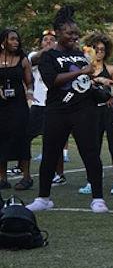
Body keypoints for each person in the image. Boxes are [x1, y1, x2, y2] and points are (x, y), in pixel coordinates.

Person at [27, 7, 109, 213]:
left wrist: (95, 82)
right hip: (58, 110)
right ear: (58, 33)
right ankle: (43, 197)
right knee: (50, 154)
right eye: (70, 33)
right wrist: (82, 71)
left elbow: (84, 79)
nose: (75, 36)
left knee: (90, 153)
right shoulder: (49, 56)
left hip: (84, 110)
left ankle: (98, 198)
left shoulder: (81, 55)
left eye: (76, 33)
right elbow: (52, 80)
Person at [81, 32, 113, 196]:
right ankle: (91, 182)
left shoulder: (111, 69)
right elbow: (82, 85)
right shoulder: (85, 69)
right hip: (92, 112)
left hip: (109, 111)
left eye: (102, 49)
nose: (100, 52)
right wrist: (98, 80)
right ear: (90, 49)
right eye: (96, 49)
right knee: (92, 149)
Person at [27, 30, 67, 186]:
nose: (49, 41)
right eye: (45, 39)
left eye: (52, 39)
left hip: (54, 104)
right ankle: (25, 173)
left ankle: (59, 174)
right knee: (26, 138)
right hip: (38, 105)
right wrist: (47, 49)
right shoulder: (34, 56)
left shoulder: (59, 58)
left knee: (53, 141)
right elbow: (34, 59)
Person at [0, 29, 34, 191]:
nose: (16, 42)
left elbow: (29, 83)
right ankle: (2, 178)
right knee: (1, 139)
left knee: (22, 138)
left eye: (17, 39)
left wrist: (29, 95)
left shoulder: (23, 59)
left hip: (19, 105)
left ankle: (26, 177)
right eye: (12, 39)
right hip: (1, 106)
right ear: (4, 41)